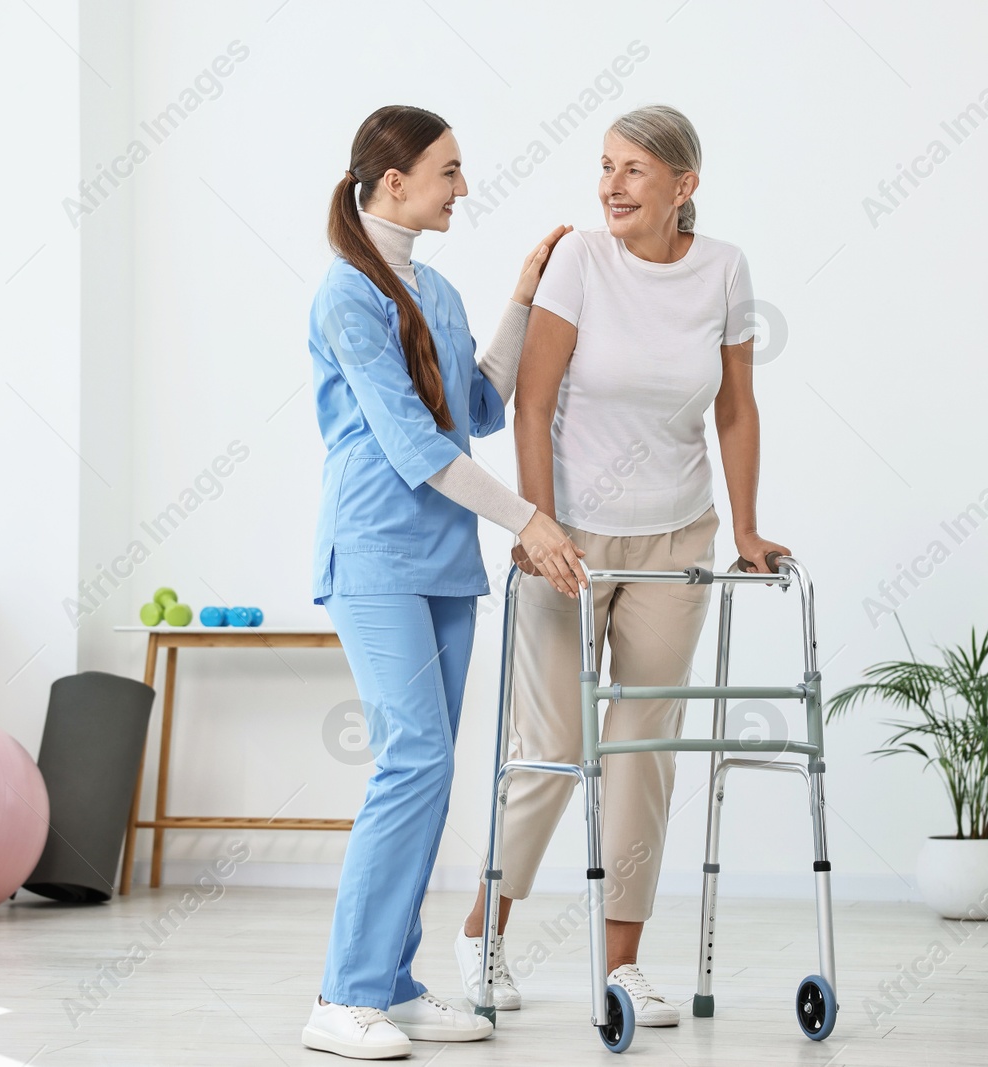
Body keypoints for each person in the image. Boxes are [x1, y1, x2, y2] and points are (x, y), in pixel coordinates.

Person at [455, 105, 790, 1026]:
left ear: (684, 185)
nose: (610, 185)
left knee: (645, 754)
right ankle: (485, 931)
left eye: (634, 169)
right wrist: (536, 527)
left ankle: (623, 963)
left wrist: (748, 529)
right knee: (556, 748)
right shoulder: (580, 261)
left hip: (675, 539)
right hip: (568, 542)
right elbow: (532, 402)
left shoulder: (724, 267)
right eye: (605, 166)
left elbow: (735, 408)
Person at [301, 104, 583, 1060]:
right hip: (374, 556)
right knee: (410, 760)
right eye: (450, 171)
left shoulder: (443, 291)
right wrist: (530, 521)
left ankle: (392, 982)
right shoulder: (346, 296)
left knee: (429, 774)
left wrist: (521, 296)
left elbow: (479, 406)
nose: (463, 188)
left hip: (444, 566)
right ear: (393, 182)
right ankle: (342, 997)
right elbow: (414, 447)